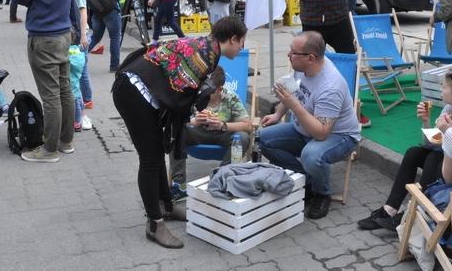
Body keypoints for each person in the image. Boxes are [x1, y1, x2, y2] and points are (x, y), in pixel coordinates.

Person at [112, 16, 247, 249]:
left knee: (156, 153)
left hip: (143, 91)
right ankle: (154, 224)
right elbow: (180, 100)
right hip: (134, 92)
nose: (242, 48)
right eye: (242, 43)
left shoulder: (208, 48)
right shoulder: (204, 55)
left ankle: (167, 205)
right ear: (233, 39)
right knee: (150, 159)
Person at [258, 31, 360, 220]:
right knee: (263, 139)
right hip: (304, 129)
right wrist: (278, 114)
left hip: (340, 136)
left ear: (311, 57)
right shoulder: (303, 67)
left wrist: (293, 105)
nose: (288, 54)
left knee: (311, 155)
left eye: (293, 52)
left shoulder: (330, 87)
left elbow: (321, 133)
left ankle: (322, 194)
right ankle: (306, 180)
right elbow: (292, 90)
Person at [357, 68, 452, 232]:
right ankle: (390, 209)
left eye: (444, 87)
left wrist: (449, 132)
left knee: (432, 158)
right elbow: (430, 143)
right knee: (413, 153)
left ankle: (412, 212)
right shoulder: (448, 109)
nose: (441, 89)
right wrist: (426, 121)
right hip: (445, 158)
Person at [11, 0, 77, 163]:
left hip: (44, 37)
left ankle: (49, 150)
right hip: (63, 34)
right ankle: (66, 142)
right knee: (65, 91)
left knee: (51, 97)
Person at [168, 66, 252, 196]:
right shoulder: (194, 95)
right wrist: (194, 121)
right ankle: (179, 185)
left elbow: (248, 125)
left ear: (219, 90)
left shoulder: (230, 97)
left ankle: (221, 177)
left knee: (242, 137)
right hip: (198, 133)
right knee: (176, 131)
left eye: (209, 91)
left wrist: (222, 125)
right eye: (203, 88)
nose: (205, 93)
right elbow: (176, 119)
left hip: (222, 134)